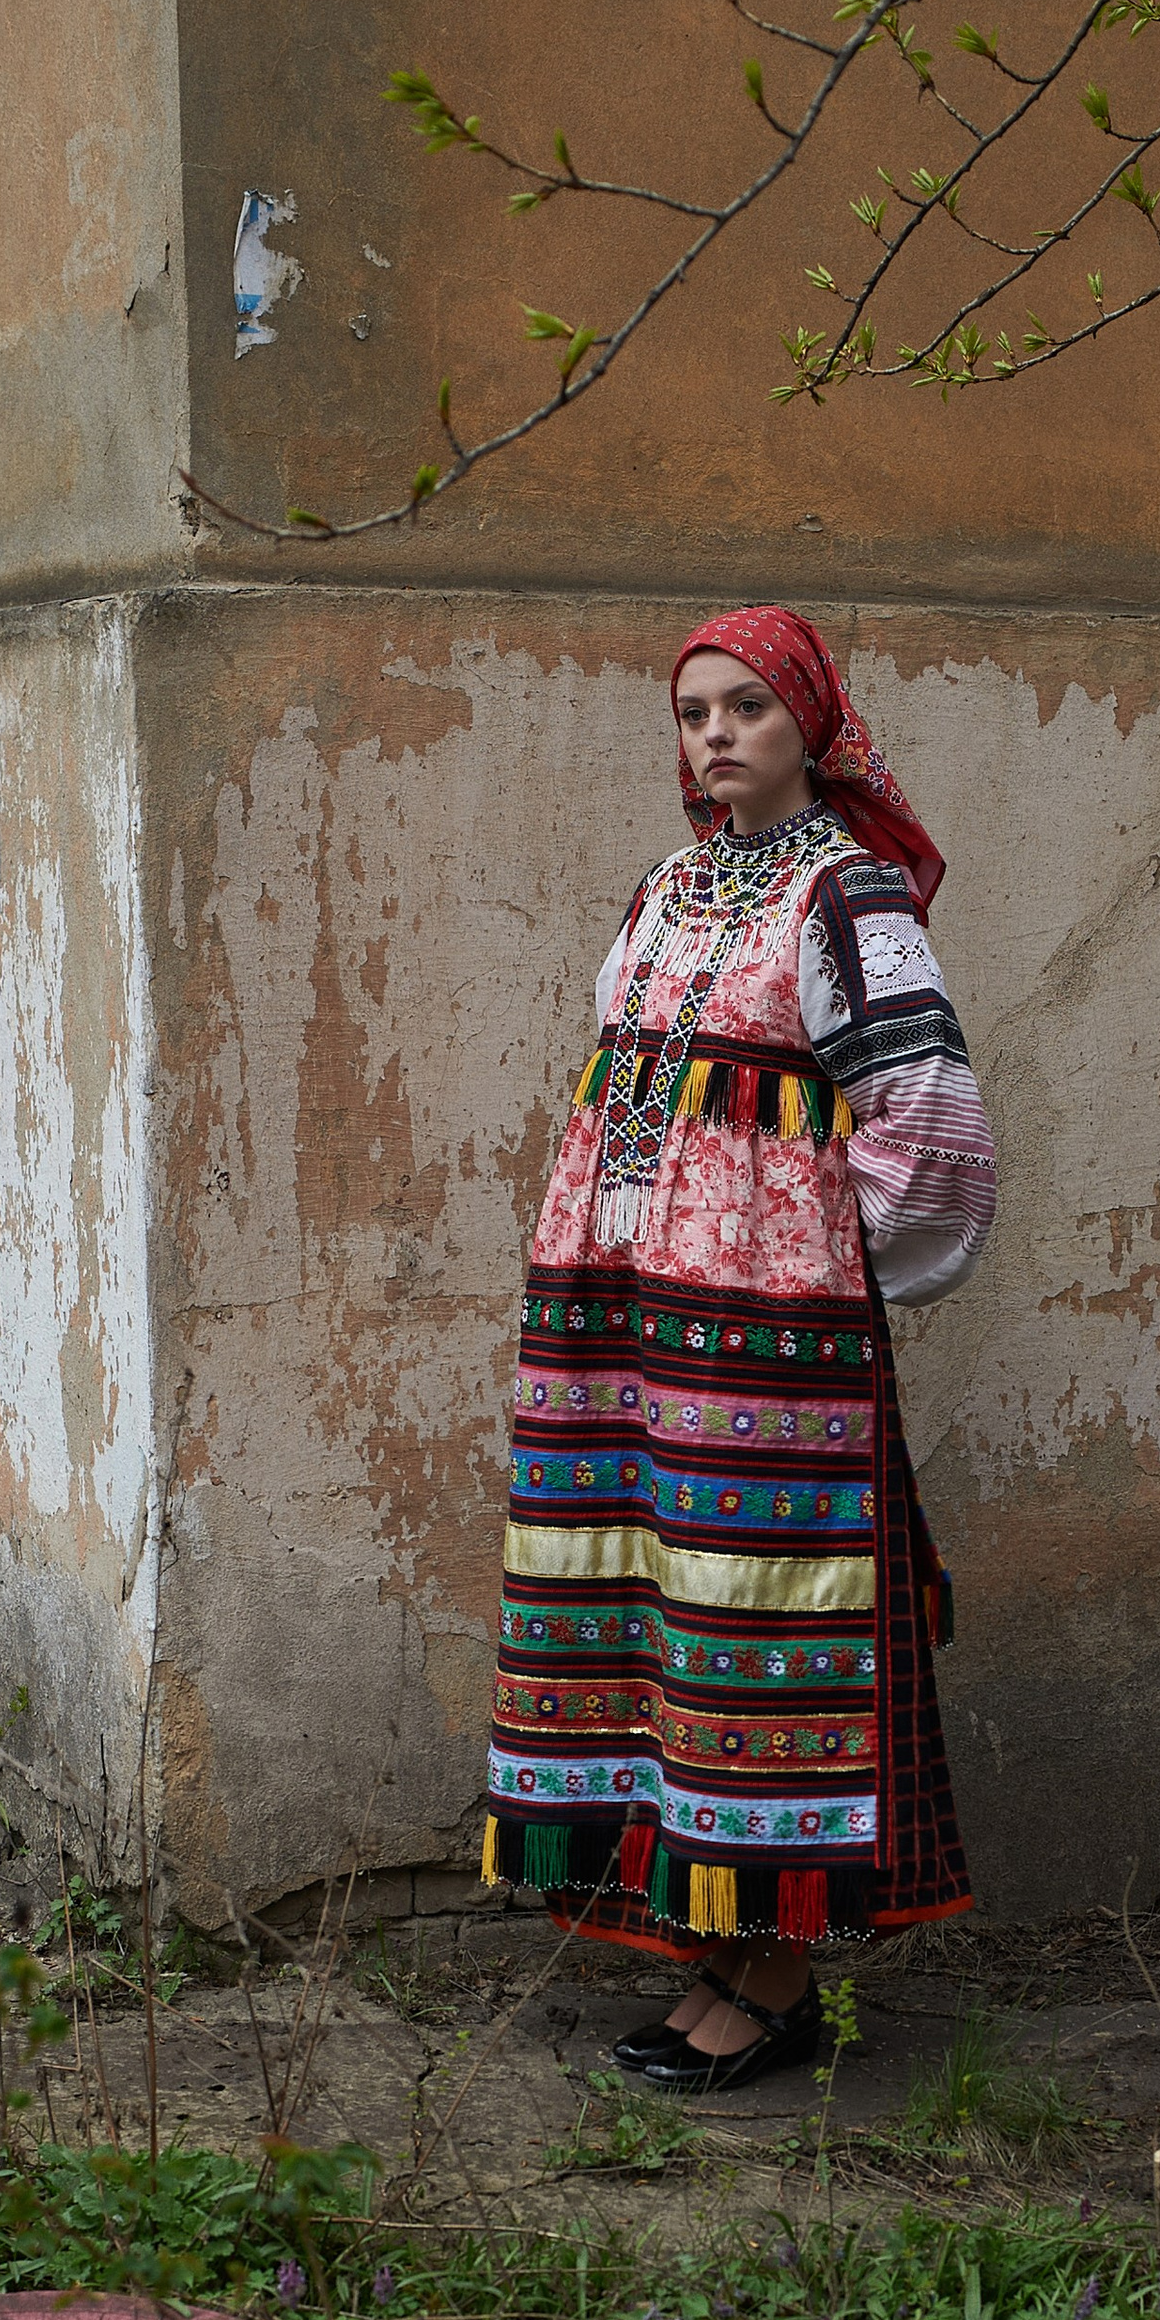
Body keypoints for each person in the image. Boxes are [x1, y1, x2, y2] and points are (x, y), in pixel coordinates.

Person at [480, 607, 996, 2090]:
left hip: (761, 1329)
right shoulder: (669, 888)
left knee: (749, 1613)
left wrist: (818, 1256)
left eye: (748, 707)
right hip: (622, 1318)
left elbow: (930, 1117)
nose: (716, 733)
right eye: (694, 711)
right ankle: (715, 1945)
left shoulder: (849, 898)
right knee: (654, 1602)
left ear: (811, 725)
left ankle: (778, 1971)